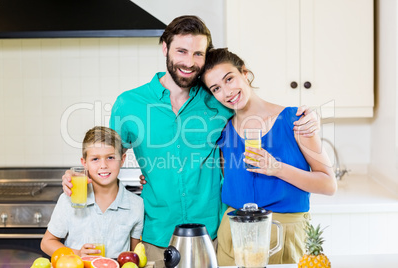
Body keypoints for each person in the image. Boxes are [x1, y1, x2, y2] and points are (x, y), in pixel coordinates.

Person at [62, 15, 319, 261]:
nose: (189, 62)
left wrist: (304, 116)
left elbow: (258, 112)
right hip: (156, 235)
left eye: (198, 53)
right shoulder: (129, 104)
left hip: (215, 235)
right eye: (181, 51)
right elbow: (105, 156)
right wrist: (81, 175)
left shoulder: (218, 98)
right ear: (165, 48)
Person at [200, 48, 337, 265]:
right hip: (233, 233)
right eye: (216, 88)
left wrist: (277, 168)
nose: (226, 92)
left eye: (229, 79)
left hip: (285, 234)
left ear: (245, 73)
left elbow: (328, 184)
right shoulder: (222, 130)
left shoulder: (296, 120)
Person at [41, 126, 144, 258]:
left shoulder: (136, 205)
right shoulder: (69, 199)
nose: (103, 165)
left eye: (110, 157)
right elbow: (47, 243)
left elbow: (134, 255)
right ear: (84, 163)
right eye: (95, 159)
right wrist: (77, 254)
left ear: (122, 159)